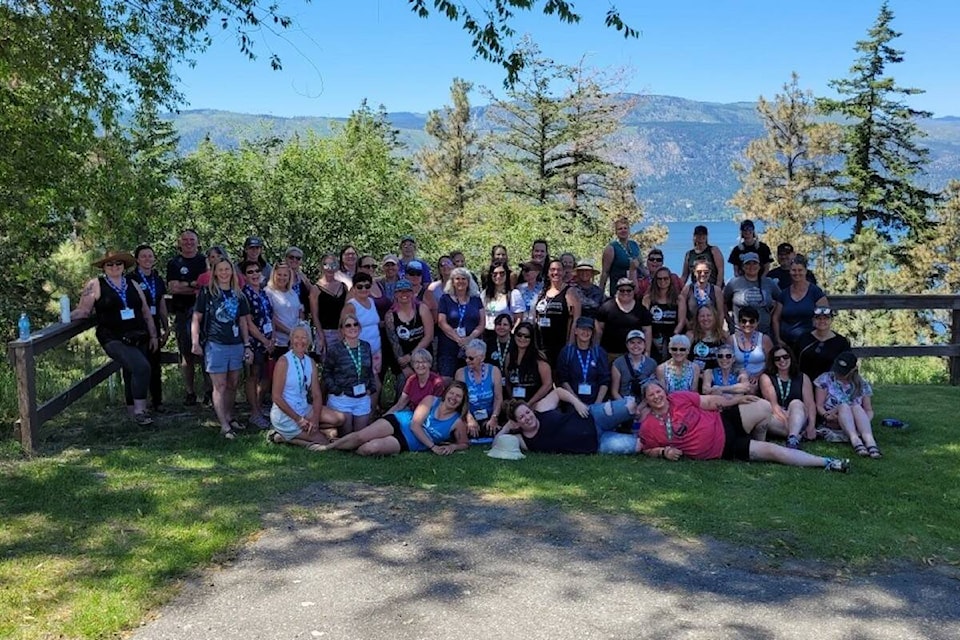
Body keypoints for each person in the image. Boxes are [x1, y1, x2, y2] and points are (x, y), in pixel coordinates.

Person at [638, 381, 849, 472]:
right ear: (646, 400)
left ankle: (776, 431)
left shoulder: (678, 397)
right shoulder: (648, 426)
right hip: (723, 449)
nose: (657, 397)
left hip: (724, 420)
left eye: (658, 392)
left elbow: (709, 402)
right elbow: (647, 449)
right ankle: (827, 462)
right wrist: (664, 452)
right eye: (651, 395)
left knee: (763, 405)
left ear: (664, 392)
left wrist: (734, 401)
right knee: (772, 451)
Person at [71, 249, 158, 425]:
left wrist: (154, 335)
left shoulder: (132, 283)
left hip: (137, 335)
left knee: (130, 371)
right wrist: (66, 316)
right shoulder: (95, 284)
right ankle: (141, 411)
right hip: (112, 337)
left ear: (124, 266)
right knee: (142, 367)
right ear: (103, 267)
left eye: (118, 263)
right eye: (109, 264)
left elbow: (145, 311)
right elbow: (84, 310)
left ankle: (132, 411)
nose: (114, 267)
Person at [319, 382, 469, 456]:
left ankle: (344, 447)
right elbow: (415, 425)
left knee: (370, 448)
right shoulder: (431, 400)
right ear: (446, 393)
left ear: (462, 401)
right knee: (361, 436)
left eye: (458, 396)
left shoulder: (457, 421)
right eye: (452, 393)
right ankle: (326, 447)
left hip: (408, 442)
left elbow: (464, 443)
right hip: (401, 422)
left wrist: (453, 447)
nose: (453, 398)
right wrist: (432, 447)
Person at [191, 258, 252, 439]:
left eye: (228, 269)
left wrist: (247, 344)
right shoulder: (207, 293)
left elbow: (243, 322)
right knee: (220, 385)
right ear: (215, 272)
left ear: (232, 272)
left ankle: (229, 416)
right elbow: (196, 318)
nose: (225, 273)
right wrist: (195, 341)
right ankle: (224, 426)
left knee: (233, 383)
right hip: (215, 343)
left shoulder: (239, 294)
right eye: (221, 270)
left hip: (236, 343)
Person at [268, 323, 344, 448]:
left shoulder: (311, 362)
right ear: (291, 340)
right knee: (324, 442)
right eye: (296, 337)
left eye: (304, 337)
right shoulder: (283, 361)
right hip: (286, 414)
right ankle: (284, 437)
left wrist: (314, 419)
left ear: (309, 341)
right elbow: (276, 397)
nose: (300, 341)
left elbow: (316, 394)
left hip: (303, 408)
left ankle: (308, 431)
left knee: (339, 419)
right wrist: (298, 419)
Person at [501, 387, 640, 455]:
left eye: (527, 412)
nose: (528, 417)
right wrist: (508, 425)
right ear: (517, 423)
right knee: (639, 446)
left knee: (631, 406)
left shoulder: (541, 409)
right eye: (522, 417)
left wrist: (576, 402)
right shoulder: (523, 441)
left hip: (592, 417)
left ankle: (654, 423)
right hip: (597, 444)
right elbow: (499, 440)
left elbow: (558, 391)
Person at [166, 229, 207, 406]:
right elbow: (173, 288)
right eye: (185, 240)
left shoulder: (204, 260)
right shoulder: (174, 263)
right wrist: (194, 286)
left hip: (205, 313)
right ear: (180, 242)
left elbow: (208, 285)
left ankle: (209, 391)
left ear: (197, 242)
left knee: (207, 353)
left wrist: (190, 286)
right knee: (186, 354)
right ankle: (190, 392)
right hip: (183, 312)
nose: (189, 243)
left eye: (192, 240)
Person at [814, 351, 881, 459]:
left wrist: (864, 421)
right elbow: (819, 406)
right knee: (844, 406)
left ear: (853, 370)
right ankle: (855, 439)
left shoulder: (862, 384)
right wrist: (827, 415)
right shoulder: (825, 379)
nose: (839, 374)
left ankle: (869, 441)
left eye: (843, 372)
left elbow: (868, 410)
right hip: (833, 418)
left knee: (856, 407)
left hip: (856, 418)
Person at [130, 244, 169, 412]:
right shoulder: (131, 279)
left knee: (154, 365)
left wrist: (166, 326)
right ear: (137, 260)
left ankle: (157, 402)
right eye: (143, 256)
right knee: (139, 366)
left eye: (150, 256)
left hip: (155, 326)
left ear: (154, 259)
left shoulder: (158, 279)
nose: (147, 259)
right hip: (137, 327)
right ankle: (138, 404)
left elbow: (161, 303)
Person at [324, 313, 378, 434]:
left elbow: (370, 371)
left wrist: (371, 388)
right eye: (348, 325)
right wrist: (336, 390)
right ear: (342, 330)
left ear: (359, 327)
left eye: (355, 324)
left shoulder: (366, 346)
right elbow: (326, 372)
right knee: (346, 434)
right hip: (342, 398)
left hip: (362, 397)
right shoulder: (335, 349)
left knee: (360, 435)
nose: (352, 327)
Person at [239, 259, 275, 429]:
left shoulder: (263, 292)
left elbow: (270, 316)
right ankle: (253, 412)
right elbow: (248, 323)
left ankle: (259, 409)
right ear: (244, 276)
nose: (254, 275)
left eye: (256, 271)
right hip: (255, 342)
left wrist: (272, 338)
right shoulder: (244, 294)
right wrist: (264, 340)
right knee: (253, 376)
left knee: (265, 376)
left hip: (268, 342)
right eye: (250, 272)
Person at [759, 345, 816, 449]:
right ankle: (794, 436)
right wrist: (786, 421)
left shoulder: (803, 377)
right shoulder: (766, 377)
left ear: (791, 357)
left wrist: (811, 426)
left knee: (796, 403)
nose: (782, 360)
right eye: (777, 358)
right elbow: (774, 405)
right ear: (773, 361)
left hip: (799, 415)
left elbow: (810, 404)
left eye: (785, 357)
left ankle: (793, 437)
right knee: (764, 419)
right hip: (777, 417)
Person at [772, 255, 828, 353]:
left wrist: (821, 337)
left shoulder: (815, 292)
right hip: (787, 344)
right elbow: (775, 318)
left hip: (810, 343)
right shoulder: (784, 294)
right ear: (789, 271)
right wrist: (778, 339)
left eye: (800, 270)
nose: (797, 273)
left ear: (806, 271)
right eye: (794, 270)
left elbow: (825, 316)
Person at [437, 267, 485, 378]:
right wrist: (458, 339)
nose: (460, 281)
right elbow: (441, 322)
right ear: (452, 282)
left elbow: (482, 323)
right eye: (457, 279)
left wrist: (469, 338)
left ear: (468, 282)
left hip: (472, 348)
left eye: (464, 279)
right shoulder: (445, 299)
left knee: (471, 379)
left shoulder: (476, 299)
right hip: (448, 347)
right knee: (447, 380)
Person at [384, 279, 434, 386]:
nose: (404, 294)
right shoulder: (390, 316)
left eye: (407, 291)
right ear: (395, 294)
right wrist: (404, 366)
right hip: (402, 359)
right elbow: (394, 343)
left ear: (412, 293)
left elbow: (429, 336)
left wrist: (412, 356)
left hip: (422, 354)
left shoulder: (422, 309)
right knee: (405, 385)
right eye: (400, 291)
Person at [533, 259, 581, 365]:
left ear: (564, 272)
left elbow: (576, 318)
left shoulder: (570, 292)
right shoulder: (543, 292)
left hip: (561, 344)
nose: (556, 273)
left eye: (559, 270)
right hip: (542, 344)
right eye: (553, 270)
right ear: (548, 272)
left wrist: (570, 343)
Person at [595, 278, 653, 364]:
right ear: (617, 291)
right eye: (622, 290)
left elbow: (647, 331)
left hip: (634, 355)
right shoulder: (606, 307)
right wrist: (595, 350)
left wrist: (647, 352)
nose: (625, 293)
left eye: (628, 290)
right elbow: (598, 331)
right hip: (609, 354)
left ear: (633, 291)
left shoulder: (641, 309)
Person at [455, 339, 504, 438]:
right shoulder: (460, 373)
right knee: (464, 432)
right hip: (468, 414)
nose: (467, 360)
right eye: (466, 357)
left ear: (481, 358)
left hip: (489, 415)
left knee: (493, 430)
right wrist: (469, 418)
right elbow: (461, 400)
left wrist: (494, 417)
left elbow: (498, 398)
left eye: (471, 358)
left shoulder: (494, 371)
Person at [723, 252, 781, 336]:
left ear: (759, 266)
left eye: (754, 263)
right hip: (739, 333)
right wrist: (728, 319)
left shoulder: (769, 283)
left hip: (764, 333)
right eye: (748, 264)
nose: (751, 266)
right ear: (743, 267)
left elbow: (781, 300)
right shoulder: (734, 283)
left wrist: (773, 316)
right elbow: (722, 301)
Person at [556, 317, 610, 405]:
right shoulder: (567, 352)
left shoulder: (599, 352)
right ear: (576, 331)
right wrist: (576, 402)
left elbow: (604, 380)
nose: (586, 333)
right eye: (582, 329)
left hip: (596, 401)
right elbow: (563, 380)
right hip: (572, 401)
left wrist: (598, 402)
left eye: (589, 330)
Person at [341, 271, 383, 378]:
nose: (364, 289)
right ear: (354, 288)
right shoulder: (351, 306)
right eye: (359, 286)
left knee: (375, 383)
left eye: (367, 286)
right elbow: (342, 329)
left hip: (376, 350)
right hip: (358, 352)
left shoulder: (371, 301)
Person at [796, 307, 852, 381]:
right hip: (805, 383)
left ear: (831, 320)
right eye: (818, 318)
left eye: (826, 318)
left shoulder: (841, 342)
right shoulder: (803, 339)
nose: (822, 321)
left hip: (832, 385)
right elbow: (795, 361)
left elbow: (848, 365)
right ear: (813, 320)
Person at [504, 321, 553, 405]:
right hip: (516, 403)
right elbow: (507, 380)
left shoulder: (539, 358)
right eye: (519, 335)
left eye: (527, 336)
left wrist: (530, 403)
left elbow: (547, 384)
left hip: (536, 403)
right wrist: (512, 399)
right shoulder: (509, 356)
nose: (522, 338)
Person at [384, 348, 445, 414]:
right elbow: (400, 405)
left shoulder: (437, 382)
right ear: (413, 365)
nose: (420, 365)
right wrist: (385, 417)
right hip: (411, 412)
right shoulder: (411, 380)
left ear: (430, 364)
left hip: (428, 416)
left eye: (424, 362)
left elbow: (435, 408)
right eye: (417, 362)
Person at [264, 261, 303, 360]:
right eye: (279, 274)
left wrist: (299, 329)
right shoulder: (268, 292)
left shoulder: (292, 292)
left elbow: (300, 311)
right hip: (279, 342)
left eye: (285, 275)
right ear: (274, 275)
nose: (282, 278)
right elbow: (271, 317)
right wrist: (289, 332)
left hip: (296, 341)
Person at [676, 259, 726, 334]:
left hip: (712, 331)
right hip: (692, 331)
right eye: (699, 272)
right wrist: (688, 326)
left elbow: (720, 313)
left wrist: (718, 330)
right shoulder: (687, 290)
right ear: (694, 272)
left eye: (706, 272)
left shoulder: (716, 290)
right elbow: (682, 312)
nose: (702, 274)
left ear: (710, 273)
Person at [643, 266, 682, 362]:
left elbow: (681, 321)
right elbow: (644, 321)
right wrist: (651, 338)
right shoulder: (648, 299)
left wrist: (674, 336)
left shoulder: (679, 299)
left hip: (672, 336)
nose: (662, 281)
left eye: (665, 278)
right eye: (659, 279)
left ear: (670, 280)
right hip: (652, 336)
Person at [728, 306, 773, 385]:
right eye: (744, 321)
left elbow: (770, 362)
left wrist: (758, 376)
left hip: (760, 377)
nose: (747, 324)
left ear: (757, 322)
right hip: (738, 376)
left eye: (752, 321)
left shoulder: (764, 339)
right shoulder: (731, 340)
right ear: (739, 322)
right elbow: (727, 362)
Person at [600, 216, 641, 296]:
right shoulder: (611, 248)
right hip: (618, 289)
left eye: (625, 228)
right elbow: (605, 272)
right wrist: (601, 292)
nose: (623, 230)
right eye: (620, 229)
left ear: (629, 230)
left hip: (634, 288)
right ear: (616, 232)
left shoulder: (634, 245)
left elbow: (642, 266)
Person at [610, 330, 657, 400]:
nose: (636, 346)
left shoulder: (652, 363)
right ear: (627, 345)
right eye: (632, 343)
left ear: (644, 345)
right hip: (623, 401)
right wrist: (624, 405)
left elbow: (654, 389)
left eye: (639, 343)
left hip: (645, 402)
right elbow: (614, 391)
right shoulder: (618, 363)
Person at [480, 262, 523, 336]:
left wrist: (513, 332)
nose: (498, 276)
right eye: (495, 274)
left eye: (502, 273)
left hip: (505, 335)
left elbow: (518, 318)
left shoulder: (514, 294)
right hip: (487, 333)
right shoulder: (485, 294)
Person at [315, 253, 348, 349]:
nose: (330, 268)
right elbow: (315, 316)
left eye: (333, 264)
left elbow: (346, 311)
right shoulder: (316, 289)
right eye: (326, 265)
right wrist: (321, 337)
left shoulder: (343, 286)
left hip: (342, 332)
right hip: (325, 333)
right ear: (322, 266)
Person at [686, 305, 729, 374]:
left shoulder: (724, 336)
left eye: (709, 315)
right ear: (697, 318)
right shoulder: (691, 336)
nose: (705, 318)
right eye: (702, 316)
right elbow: (683, 359)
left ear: (715, 317)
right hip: (696, 377)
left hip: (718, 379)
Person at [484, 312, 514, 381]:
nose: (501, 327)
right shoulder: (489, 343)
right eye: (499, 324)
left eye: (505, 325)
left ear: (510, 327)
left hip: (512, 379)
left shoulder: (516, 342)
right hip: (493, 379)